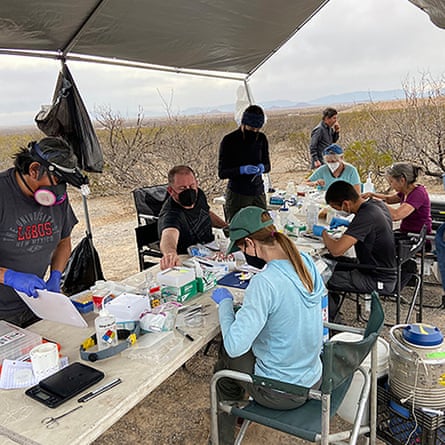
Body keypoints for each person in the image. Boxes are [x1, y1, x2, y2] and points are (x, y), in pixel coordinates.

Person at [210, 206, 326, 444]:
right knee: (242, 348)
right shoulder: (304, 260)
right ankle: (240, 409)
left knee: (223, 366)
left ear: (250, 244)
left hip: (280, 391)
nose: (244, 254)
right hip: (312, 377)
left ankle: (222, 438)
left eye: (242, 248)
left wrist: (225, 304)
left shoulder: (265, 282)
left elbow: (234, 346)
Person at [0, 137, 87, 327]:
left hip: (38, 305)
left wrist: (56, 275)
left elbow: (64, 242)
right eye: (56, 179)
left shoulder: (57, 199)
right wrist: (10, 277)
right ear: (33, 170)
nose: (58, 188)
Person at [313, 181, 396, 321]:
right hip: (375, 266)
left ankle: (331, 321)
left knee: (319, 277)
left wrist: (323, 234)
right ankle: (334, 310)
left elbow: (337, 250)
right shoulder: (375, 205)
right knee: (325, 260)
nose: (339, 211)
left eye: (337, 208)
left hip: (377, 277)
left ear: (346, 204)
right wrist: (347, 224)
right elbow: (370, 229)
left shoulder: (366, 216)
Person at [158, 165, 227, 270]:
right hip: (190, 260)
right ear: (171, 191)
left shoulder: (199, 195)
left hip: (211, 249)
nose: (188, 190)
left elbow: (206, 213)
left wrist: (226, 227)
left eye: (191, 186)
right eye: (182, 188)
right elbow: (169, 235)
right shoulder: (171, 213)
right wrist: (170, 254)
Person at [218, 105, 271, 221]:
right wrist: (241, 170)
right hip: (238, 194)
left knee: (263, 226)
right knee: (238, 228)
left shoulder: (261, 138)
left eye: (258, 129)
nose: (255, 131)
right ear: (243, 123)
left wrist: (263, 167)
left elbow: (268, 165)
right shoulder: (229, 140)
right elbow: (222, 173)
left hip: (258, 192)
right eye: (252, 128)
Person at [362, 162, 432, 235]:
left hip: (417, 236)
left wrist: (376, 202)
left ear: (402, 180)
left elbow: (396, 215)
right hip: (407, 232)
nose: (391, 185)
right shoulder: (406, 191)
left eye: (391, 182)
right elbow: (389, 199)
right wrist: (372, 195)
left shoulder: (418, 193)